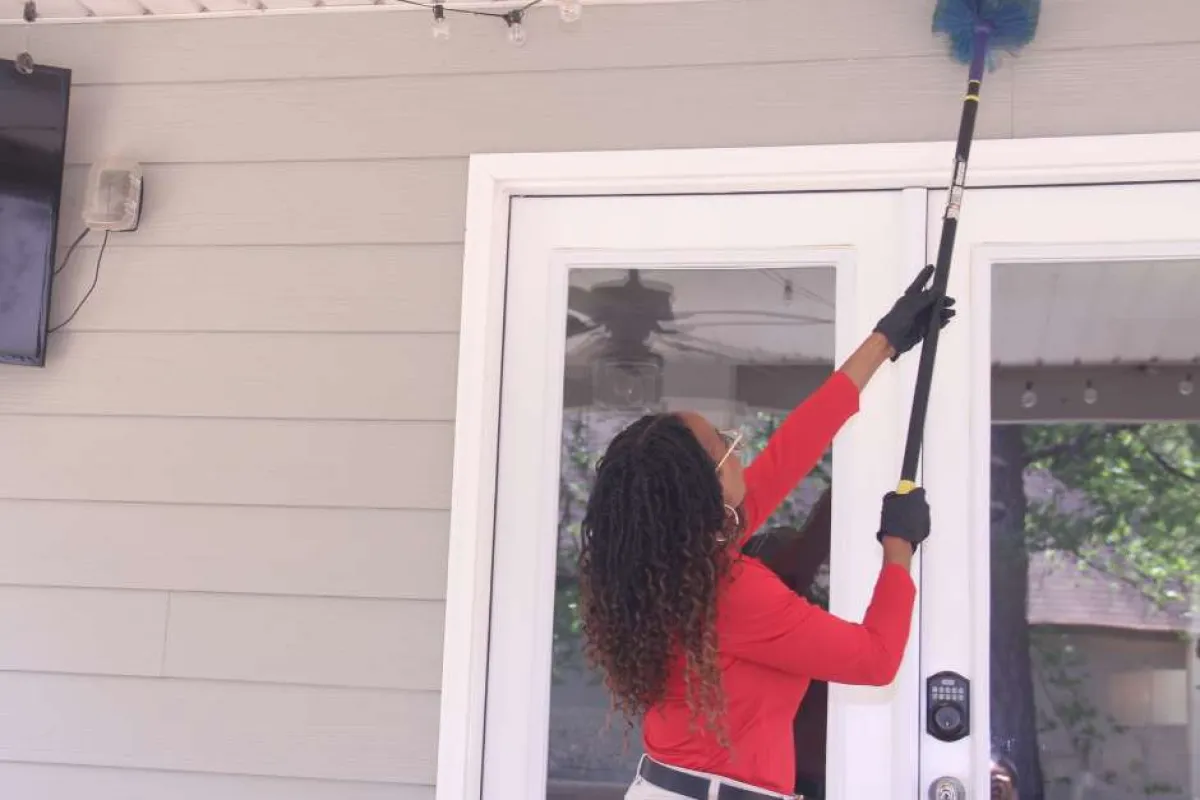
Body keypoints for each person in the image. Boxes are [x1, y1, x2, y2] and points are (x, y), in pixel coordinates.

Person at [577, 266, 953, 800]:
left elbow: (793, 446)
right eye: (726, 443)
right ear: (704, 489)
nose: (740, 446)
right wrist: (900, 550)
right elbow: (873, 660)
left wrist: (885, 341)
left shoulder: (681, 560)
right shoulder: (730, 589)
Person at [742, 489, 833, 800]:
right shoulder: (757, 626)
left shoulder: (809, 625)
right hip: (782, 779)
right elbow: (802, 560)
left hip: (821, 773)